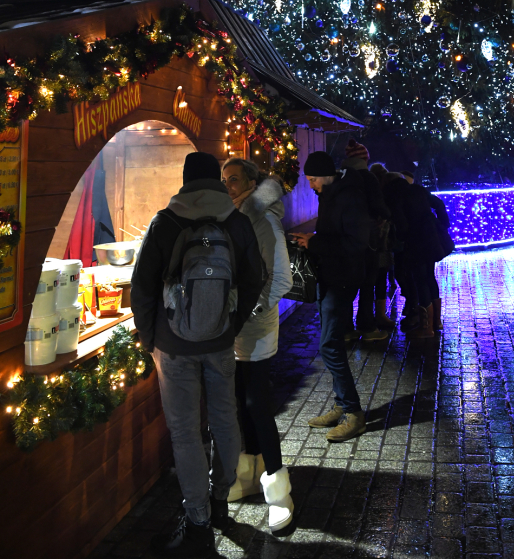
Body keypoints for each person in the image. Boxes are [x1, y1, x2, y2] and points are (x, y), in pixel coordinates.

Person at [131, 151, 264, 556]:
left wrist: (150, 337)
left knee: (186, 432)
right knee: (225, 421)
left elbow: (142, 289)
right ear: (217, 183)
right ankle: (220, 501)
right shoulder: (236, 221)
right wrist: (231, 323)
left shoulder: (166, 222)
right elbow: (255, 278)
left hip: (173, 346)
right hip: (220, 343)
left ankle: (198, 522)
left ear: (185, 181)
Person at [221, 157, 294, 532]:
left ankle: (279, 489)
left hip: (257, 327)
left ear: (251, 181)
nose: (228, 185)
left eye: (234, 179)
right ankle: (248, 473)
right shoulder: (231, 218)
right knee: (238, 402)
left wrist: (249, 307)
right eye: (224, 180)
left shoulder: (263, 221)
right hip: (232, 327)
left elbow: (281, 278)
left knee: (257, 404)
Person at [290, 150, 372, 442]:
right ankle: (342, 404)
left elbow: (355, 242)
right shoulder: (329, 195)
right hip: (332, 276)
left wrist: (316, 242)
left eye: (312, 179)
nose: (311, 185)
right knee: (332, 343)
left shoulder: (349, 197)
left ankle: (353, 413)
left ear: (326, 175)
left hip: (343, 279)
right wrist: (312, 242)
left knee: (329, 346)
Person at [343, 141, 393, 341]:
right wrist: (386, 216)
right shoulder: (368, 178)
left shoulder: (341, 176)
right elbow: (378, 205)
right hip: (367, 237)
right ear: (363, 158)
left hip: (345, 238)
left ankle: (345, 329)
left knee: (347, 284)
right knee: (367, 283)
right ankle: (366, 326)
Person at [397, 169, 450, 337]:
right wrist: (442, 225)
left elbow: (402, 224)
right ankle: (436, 322)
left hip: (415, 241)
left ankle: (426, 328)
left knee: (420, 280)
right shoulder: (419, 190)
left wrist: (402, 237)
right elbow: (439, 204)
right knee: (429, 276)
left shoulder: (398, 196)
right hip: (430, 237)